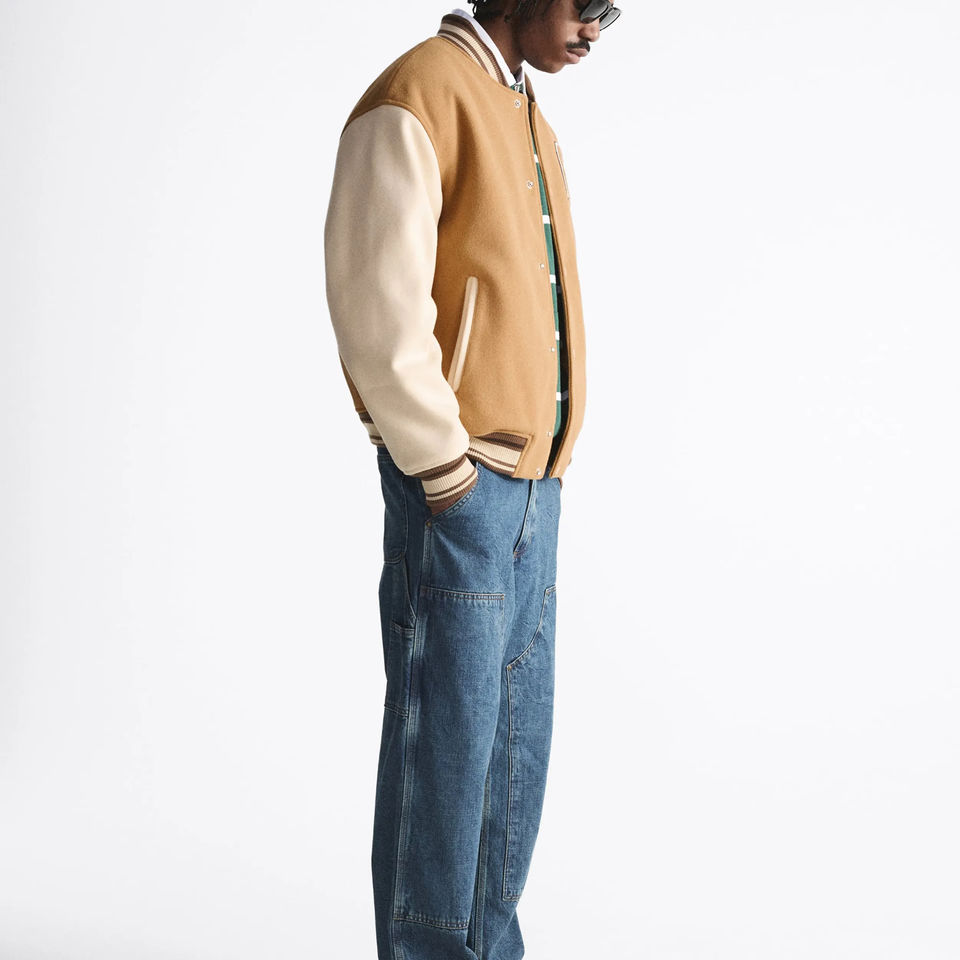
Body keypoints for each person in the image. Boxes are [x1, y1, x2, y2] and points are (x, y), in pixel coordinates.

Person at [324, 2, 619, 957]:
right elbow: (376, 305)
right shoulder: (420, 93)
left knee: (510, 764)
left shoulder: (527, 112)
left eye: (613, 14)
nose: (596, 30)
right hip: (461, 488)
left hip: (534, 491)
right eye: (588, 6)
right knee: (447, 760)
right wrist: (442, 471)